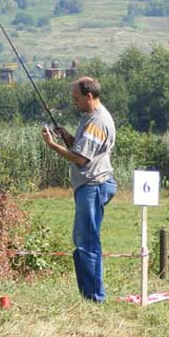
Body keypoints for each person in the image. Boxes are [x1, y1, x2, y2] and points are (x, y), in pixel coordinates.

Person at [42, 77, 116, 302]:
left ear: (89, 96)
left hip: (93, 186)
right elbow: (83, 147)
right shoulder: (91, 117)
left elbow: (81, 158)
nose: (74, 102)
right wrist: (66, 136)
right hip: (91, 185)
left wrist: (53, 145)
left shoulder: (97, 122)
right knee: (82, 240)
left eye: (76, 98)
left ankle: (94, 297)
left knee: (87, 242)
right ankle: (89, 295)